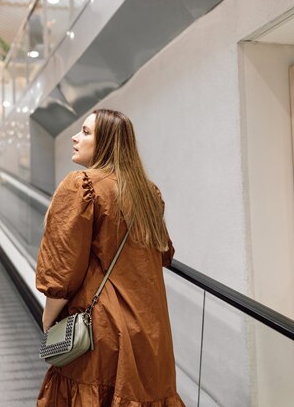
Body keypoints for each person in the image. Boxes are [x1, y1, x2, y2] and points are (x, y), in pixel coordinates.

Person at [36, 109, 185, 406]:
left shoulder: (83, 186)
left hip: (102, 332)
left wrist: (48, 318)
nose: (76, 138)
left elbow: (63, 268)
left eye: (87, 132)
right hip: (151, 334)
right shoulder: (148, 193)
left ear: (107, 142)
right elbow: (162, 254)